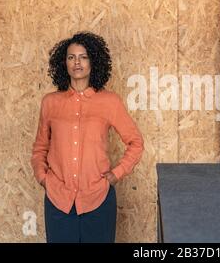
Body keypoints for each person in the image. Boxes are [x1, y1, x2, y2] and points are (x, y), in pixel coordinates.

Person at [30, 31, 144, 243]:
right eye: (71, 57)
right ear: (63, 63)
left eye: (83, 57)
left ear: (94, 61)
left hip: (98, 199)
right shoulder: (50, 103)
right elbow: (40, 148)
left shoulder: (110, 102)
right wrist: (43, 178)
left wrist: (116, 174)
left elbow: (135, 142)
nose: (77, 63)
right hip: (58, 200)